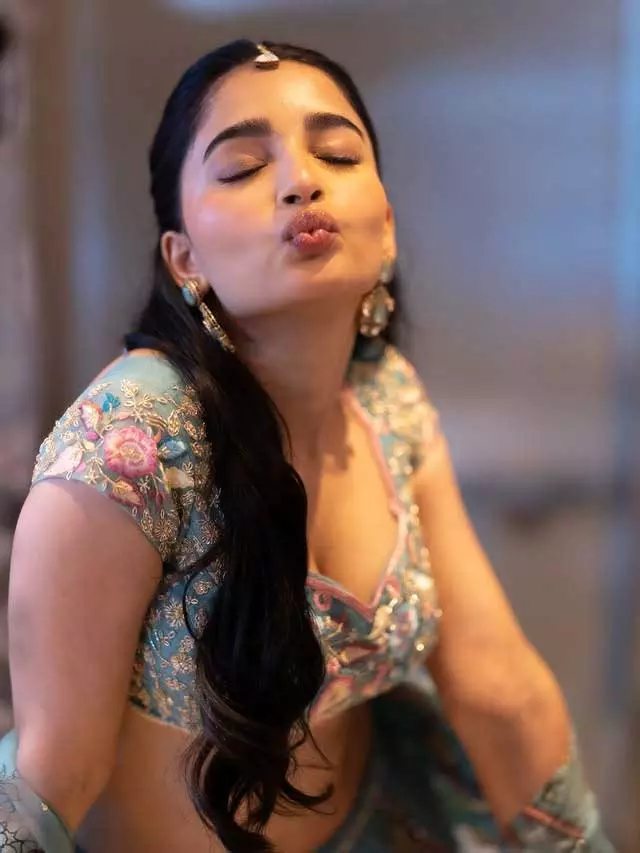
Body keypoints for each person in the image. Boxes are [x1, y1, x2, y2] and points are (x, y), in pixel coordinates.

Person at [0, 40, 614, 853]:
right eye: (243, 168)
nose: (301, 180)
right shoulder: (134, 437)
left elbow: (495, 680)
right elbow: (56, 774)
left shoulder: (386, 400)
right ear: (184, 259)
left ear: (386, 230)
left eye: (337, 154)